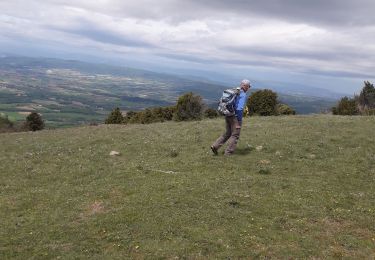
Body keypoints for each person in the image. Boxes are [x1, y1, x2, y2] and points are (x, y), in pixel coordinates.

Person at [211, 79, 251, 156]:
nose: (248, 88)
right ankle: (228, 153)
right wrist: (238, 121)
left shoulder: (234, 91)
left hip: (228, 114)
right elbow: (239, 108)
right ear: (245, 86)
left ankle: (215, 146)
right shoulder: (242, 94)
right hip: (235, 117)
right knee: (235, 135)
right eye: (248, 86)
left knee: (228, 133)